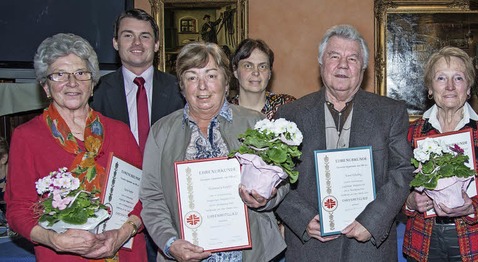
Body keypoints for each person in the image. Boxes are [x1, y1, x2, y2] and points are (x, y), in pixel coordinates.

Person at [274, 24, 414, 261]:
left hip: (369, 248)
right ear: (321, 64)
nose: (342, 65)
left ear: (363, 68)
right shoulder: (290, 115)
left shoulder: (390, 112)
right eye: (334, 56)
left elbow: (402, 171)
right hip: (310, 248)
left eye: (352, 58)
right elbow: (275, 177)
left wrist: (372, 221)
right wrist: (302, 218)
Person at [139, 41, 287, 262]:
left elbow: (282, 180)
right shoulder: (162, 131)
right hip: (185, 255)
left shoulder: (254, 123)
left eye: (211, 75)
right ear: (181, 85)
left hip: (252, 254)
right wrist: (170, 243)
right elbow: (152, 197)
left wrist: (267, 197)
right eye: (191, 77)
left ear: (226, 82)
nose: (202, 87)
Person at [5, 33, 146, 261]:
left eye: (81, 73)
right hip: (62, 256)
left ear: (92, 84)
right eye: (60, 75)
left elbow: (145, 196)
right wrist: (53, 240)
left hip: (125, 252)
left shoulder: (120, 132)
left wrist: (124, 232)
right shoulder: (27, 137)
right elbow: (18, 210)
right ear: (46, 87)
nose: (72, 83)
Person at [402, 46, 478, 262]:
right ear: (430, 88)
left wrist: (474, 205)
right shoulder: (413, 132)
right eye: (441, 78)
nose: (450, 87)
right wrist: (410, 201)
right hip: (424, 241)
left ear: (469, 88)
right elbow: (398, 184)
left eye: (459, 78)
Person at [91, 8, 185, 153]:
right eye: (128, 35)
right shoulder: (96, 91)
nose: (137, 43)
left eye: (145, 36)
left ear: (156, 44)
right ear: (116, 43)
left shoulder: (180, 89)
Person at [228, 38, 296, 119]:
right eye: (248, 66)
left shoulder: (288, 106)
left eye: (262, 66)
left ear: (270, 73)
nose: (256, 72)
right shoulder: (225, 112)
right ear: (235, 71)